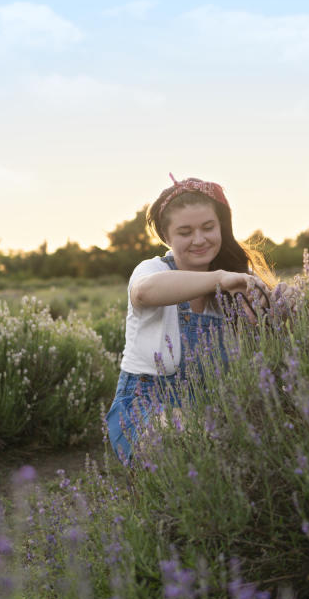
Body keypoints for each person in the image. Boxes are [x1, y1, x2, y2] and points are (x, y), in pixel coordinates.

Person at [105, 175, 277, 464]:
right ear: (167, 237)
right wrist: (219, 279)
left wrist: (278, 309)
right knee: (182, 445)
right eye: (185, 232)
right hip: (144, 404)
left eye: (208, 227)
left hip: (210, 406)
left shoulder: (236, 279)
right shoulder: (151, 269)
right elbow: (145, 293)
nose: (199, 239)